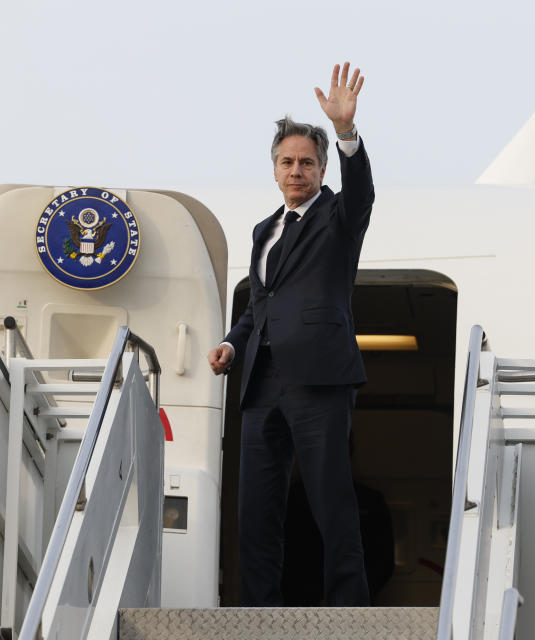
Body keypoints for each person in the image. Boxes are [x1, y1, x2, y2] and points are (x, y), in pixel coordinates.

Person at [207, 61, 373, 606]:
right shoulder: (264, 229)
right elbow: (261, 304)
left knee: (329, 499)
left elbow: (362, 190)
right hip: (261, 381)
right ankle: (260, 608)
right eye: (287, 162)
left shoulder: (338, 216)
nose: (296, 170)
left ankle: (347, 607)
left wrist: (346, 132)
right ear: (274, 169)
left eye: (306, 162)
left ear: (322, 168)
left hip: (319, 379)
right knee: (257, 506)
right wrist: (233, 343)